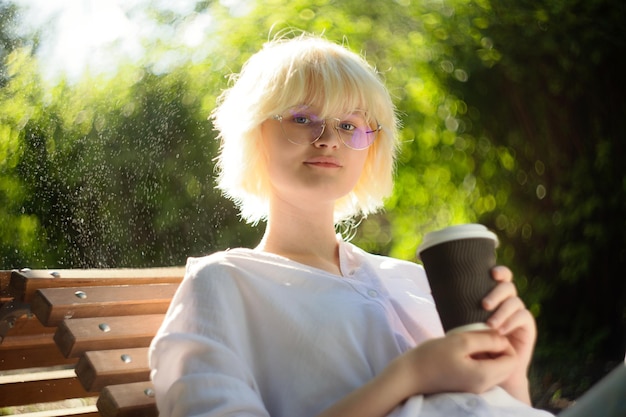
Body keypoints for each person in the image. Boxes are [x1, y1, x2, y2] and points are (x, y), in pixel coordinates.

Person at [148, 32, 556, 417]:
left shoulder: (413, 280)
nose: (329, 139)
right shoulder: (223, 282)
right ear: (255, 134)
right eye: (302, 118)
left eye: (349, 125)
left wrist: (513, 370)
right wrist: (411, 375)